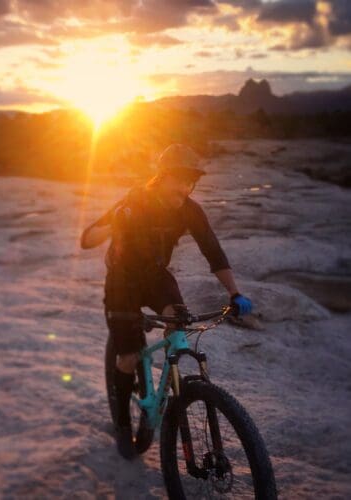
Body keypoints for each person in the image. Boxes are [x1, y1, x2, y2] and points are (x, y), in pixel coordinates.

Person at [79, 143, 253, 459]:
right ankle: (122, 425)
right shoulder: (135, 201)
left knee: (179, 326)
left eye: (192, 181)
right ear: (161, 176)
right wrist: (113, 222)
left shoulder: (190, 209)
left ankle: (175, 392)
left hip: (158, 277)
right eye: (181, 179)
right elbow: (86, 240)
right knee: (128, 357)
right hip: (123, 282)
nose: (187, 187)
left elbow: (213, 252)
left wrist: (235, 293)